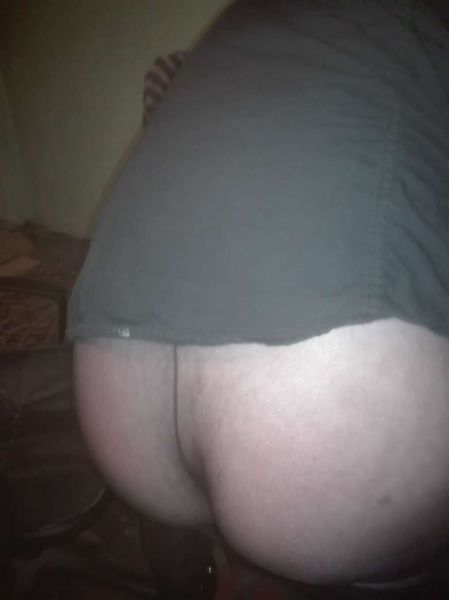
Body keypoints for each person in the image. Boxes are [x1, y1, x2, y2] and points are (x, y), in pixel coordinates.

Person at [68, 0, 449, 590]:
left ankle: (211, 545)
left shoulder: (241, 20)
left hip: (116, 401)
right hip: (334, 450)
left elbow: (159, 99)